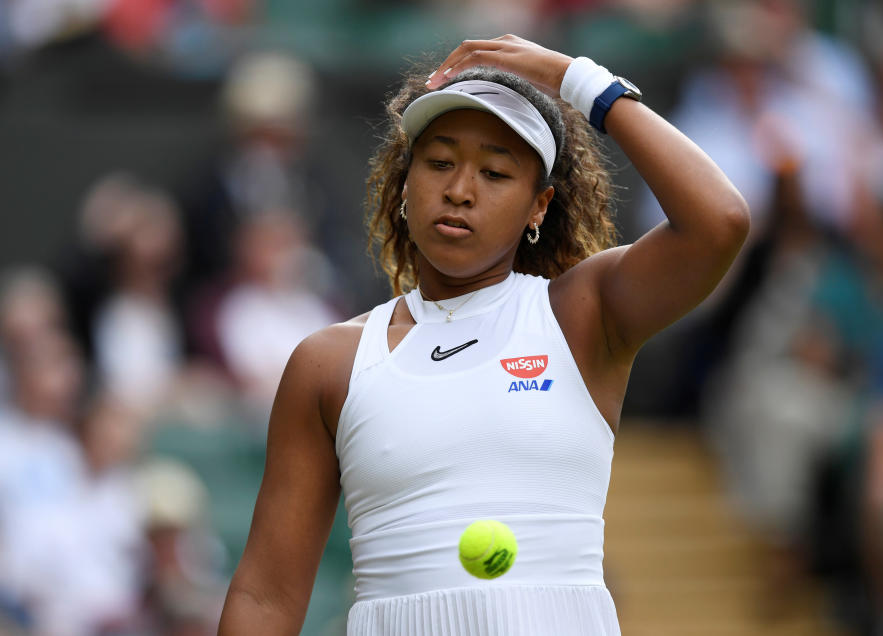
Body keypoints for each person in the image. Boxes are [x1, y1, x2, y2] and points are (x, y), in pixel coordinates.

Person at [218, 35, 749, 635]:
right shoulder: (328, 364)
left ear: (538, 206)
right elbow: (265, 596)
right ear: (404, 182)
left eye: (495, 173)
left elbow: (719, 221)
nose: (460, 190)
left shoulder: (581, 315)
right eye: (439, 162)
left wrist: (576, 78)